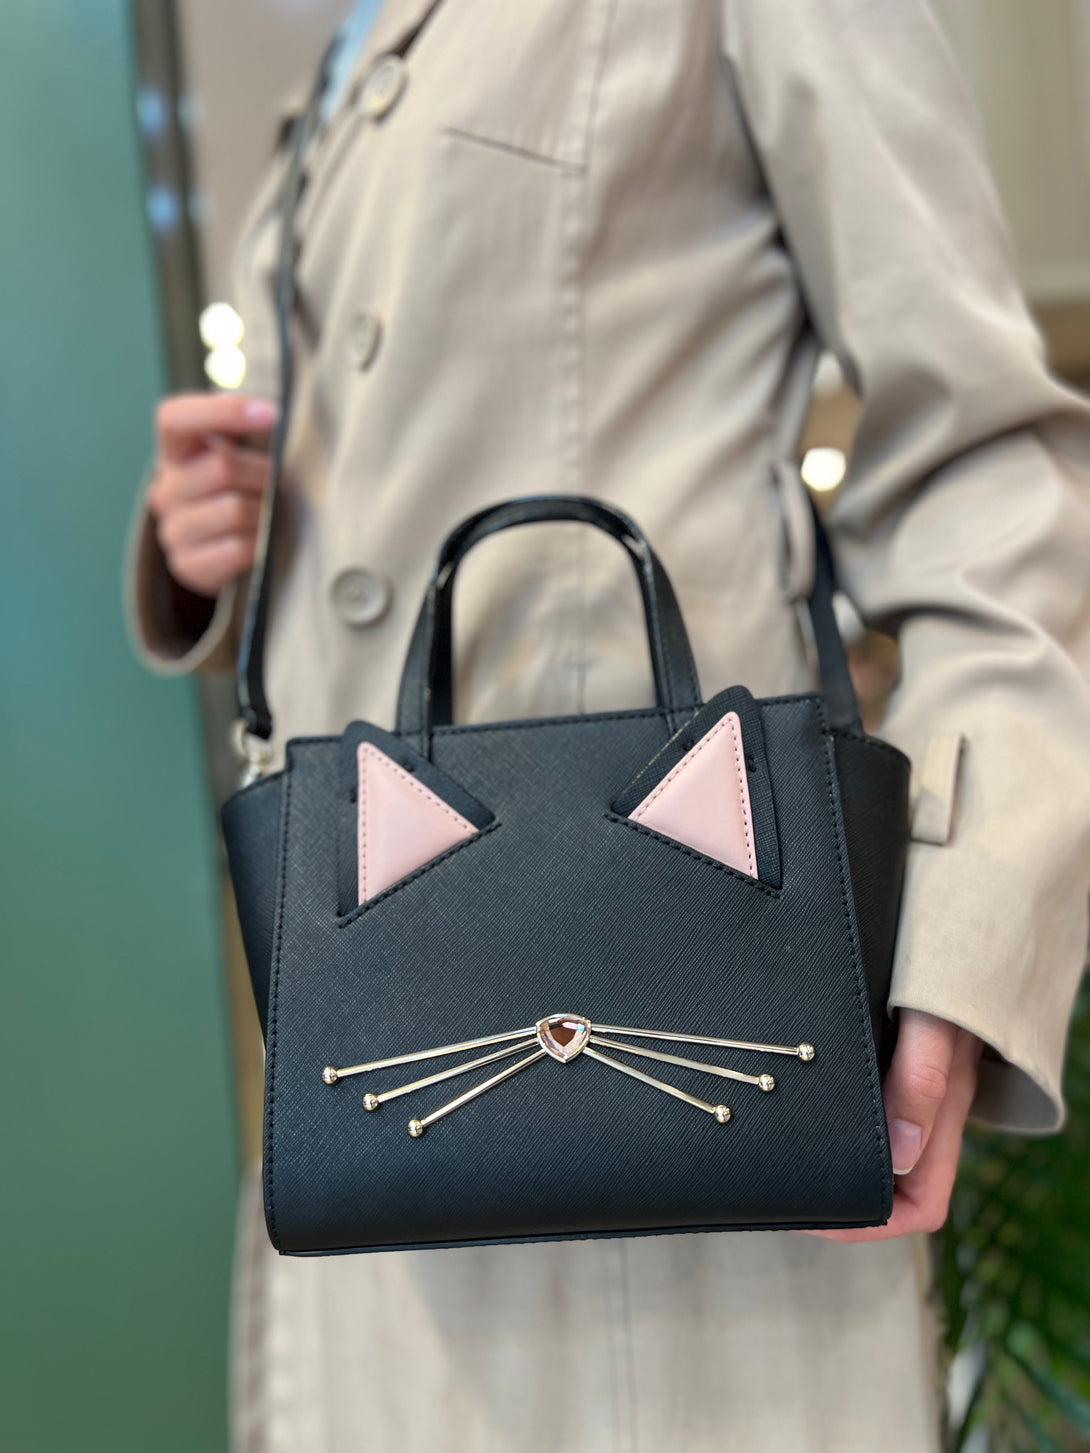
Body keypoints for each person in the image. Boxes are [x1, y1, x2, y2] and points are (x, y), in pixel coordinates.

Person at [126, 1, 1090, 1448]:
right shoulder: (342, 50)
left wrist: (959, 943)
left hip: (679, 1125)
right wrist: (210, 537)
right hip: (370, 1115)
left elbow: (982, 472)